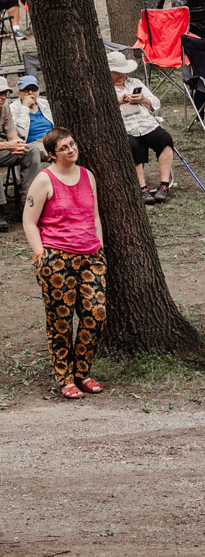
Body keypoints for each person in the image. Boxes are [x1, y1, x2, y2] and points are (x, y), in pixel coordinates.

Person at [22, 128, 106, 399]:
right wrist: (40, 255)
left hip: (91, 256)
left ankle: (83, 372)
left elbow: (94, 216)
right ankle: (65, 377)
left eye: (72, 144)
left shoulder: (88, 176)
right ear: (52, 154)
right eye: (64, 148)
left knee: (95, 314)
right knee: (60, 321)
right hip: (56, 258)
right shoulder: (44, 180)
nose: (71, 150)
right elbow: (29, 221)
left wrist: (99, 247)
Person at [108, 51, 174, 205]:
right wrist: (117, 102)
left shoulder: (135, 82)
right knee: (133, 145)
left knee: (165, 139)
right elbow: (102, 111)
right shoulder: (105, 88)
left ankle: (164, 185)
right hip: (125, 128)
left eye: (124, 71)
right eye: (118, 72)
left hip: (147, 124)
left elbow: (155, 103)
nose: (122, 75)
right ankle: (142, 188)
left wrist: (143, 99)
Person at [0, 75, 41, 232]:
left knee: (31, 150)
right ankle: (1, 209)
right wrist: (7, 145)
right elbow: (8, 143)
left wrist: (18, 145)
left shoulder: (4, 107)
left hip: (3, 149)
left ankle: (28, 203)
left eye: (5, 93)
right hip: (2, 147)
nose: (3, 97)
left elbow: (12, 134)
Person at [10, 74, 53, 159]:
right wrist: (25, 108)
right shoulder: (13, 108)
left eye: (33, 89)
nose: (30, 92)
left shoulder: (45, 103)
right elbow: (20, 133)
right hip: (33, 143)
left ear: (38, 92)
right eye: (26, 90)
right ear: (19, 94)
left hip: (52, 138)